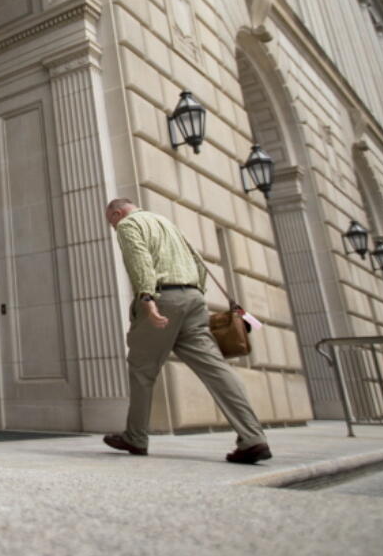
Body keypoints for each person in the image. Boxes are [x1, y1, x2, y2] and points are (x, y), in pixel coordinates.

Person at [102, 198, 272, 464]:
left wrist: (147, 297)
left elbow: (139, 258)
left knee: (141, 370)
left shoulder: (129, 224)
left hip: (163, 299)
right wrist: (195, 297)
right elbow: (197, 260)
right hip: (193, 300)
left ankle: (135, 437)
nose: (113, 227)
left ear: (117, 213)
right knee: (216, 369)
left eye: (111, 222)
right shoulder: (167, 223)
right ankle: (253, 436)